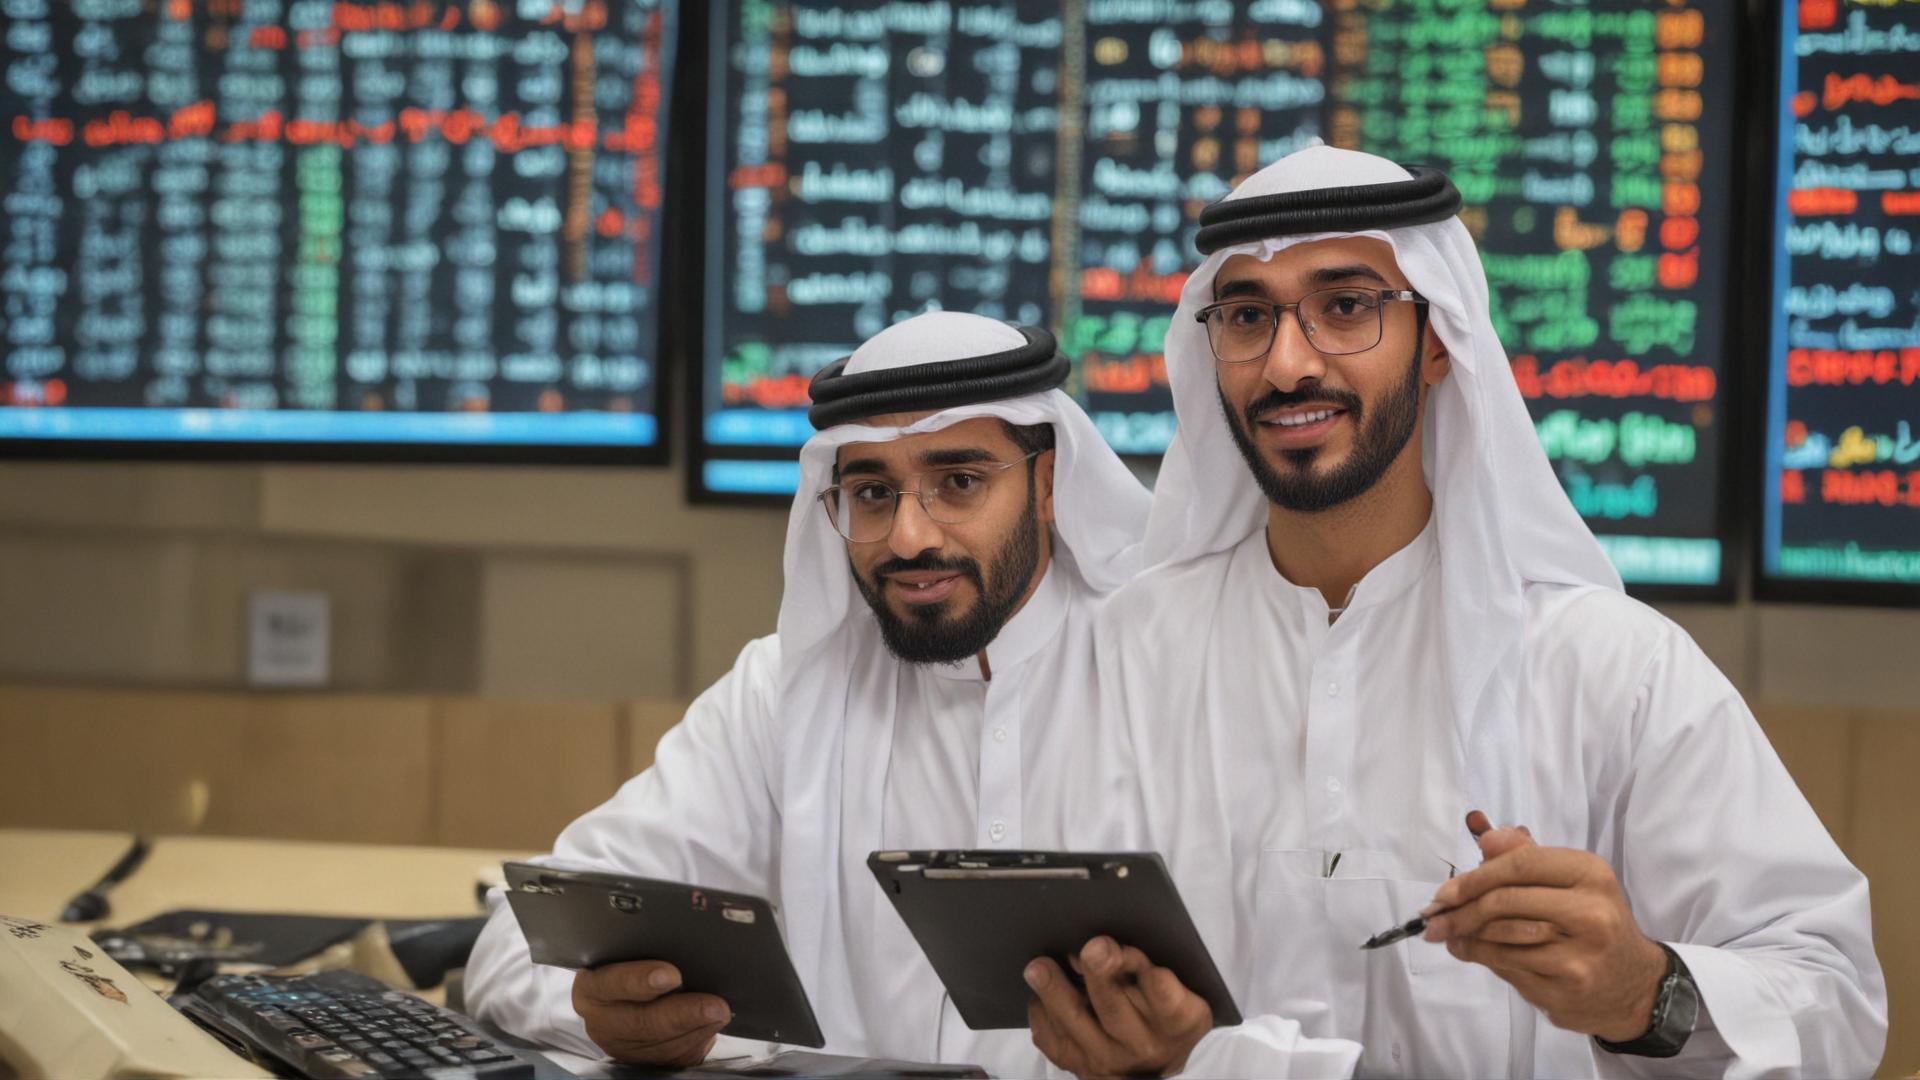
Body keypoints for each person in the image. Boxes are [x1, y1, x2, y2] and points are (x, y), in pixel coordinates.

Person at [1030, 146, 1887, 1078]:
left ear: (1439, 341)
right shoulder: (1118, 656)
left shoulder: (1609, 666)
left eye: (1346, 308)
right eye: (1246, 317)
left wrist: (1645, 991)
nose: (1285, 364)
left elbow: (1834, 999)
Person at [463, 311, 1156, 1075]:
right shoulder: (784, 694)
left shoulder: (1167, 680)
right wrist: (611, 1016)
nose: (907, 537)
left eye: (958, 482)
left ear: (1049, 481)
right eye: (871, 491)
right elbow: (515, 945)